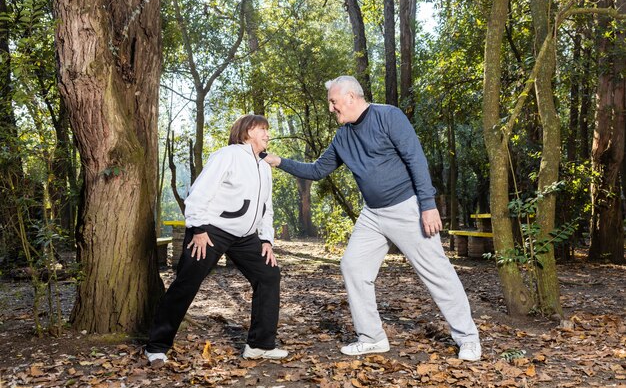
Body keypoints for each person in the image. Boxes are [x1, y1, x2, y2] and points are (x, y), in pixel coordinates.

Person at [264, 76, 481, 361]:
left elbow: (416, 158)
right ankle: (372, 337)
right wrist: (279, 162)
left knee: (437, 273)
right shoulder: (342, 137)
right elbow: (317, 170)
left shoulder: (388, 116)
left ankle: (468, 338)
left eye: (333, 101)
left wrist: (427, 205)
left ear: (351, 97)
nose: (331, 108)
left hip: (407, 208)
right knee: (353, 266)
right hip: (372, 214)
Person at [145, 114, 288, 365]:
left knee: (269, 275)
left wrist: (266, 240)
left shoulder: (264, 166)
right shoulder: (228, 155)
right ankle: (156, 346)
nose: (267, 134)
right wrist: (198, 228)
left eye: (268, 129)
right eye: (262, 129)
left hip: (245, 237)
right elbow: (200, 191)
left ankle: (260, 345)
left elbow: (267, 207)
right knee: (186, 283)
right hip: (211, 232)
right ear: (246, 132)